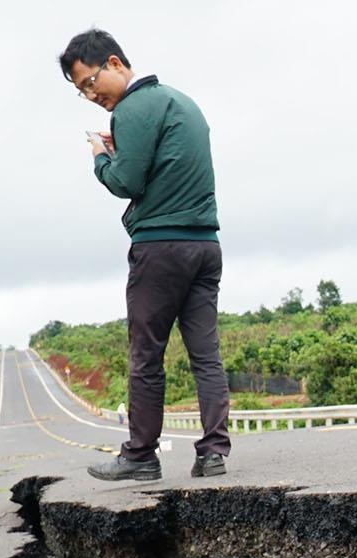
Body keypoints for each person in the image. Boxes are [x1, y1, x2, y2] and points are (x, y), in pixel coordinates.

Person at [58, 28, 230, 480]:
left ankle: (140, 457)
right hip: (206, 244)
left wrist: (100, 156)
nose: (91, 95)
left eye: (90, 82)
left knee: (146, 355)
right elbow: (168, 165)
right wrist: (124, 152)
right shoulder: (184, 103)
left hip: (161, 247)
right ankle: (213, 453)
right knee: (205, 354)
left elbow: (126, 183)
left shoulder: (131, 109)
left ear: (114, 63)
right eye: (82, 92)